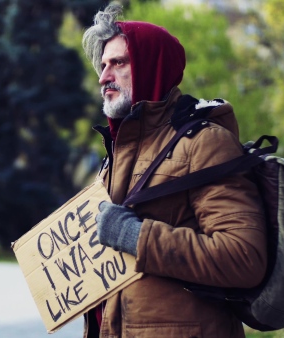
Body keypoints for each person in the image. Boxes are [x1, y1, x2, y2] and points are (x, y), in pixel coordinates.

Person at [81, 3, 268, 338]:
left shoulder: (205, 143)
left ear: (151, 67)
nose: (103, 76)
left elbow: (244, 257)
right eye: (103, 64)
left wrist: (136, 237)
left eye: (118, 63)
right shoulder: (115, 153)